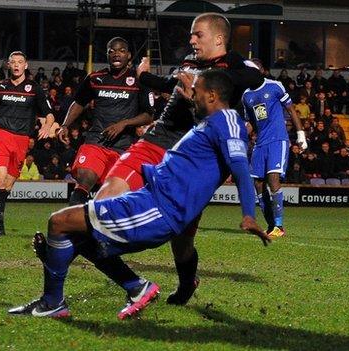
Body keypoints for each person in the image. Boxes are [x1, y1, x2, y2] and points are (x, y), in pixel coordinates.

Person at [8, 70, 270, 319]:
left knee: (60, 222)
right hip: (150, 199)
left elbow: (240, 168)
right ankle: (125, 287)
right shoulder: (211, 122)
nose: (191, 94)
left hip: (156, 209)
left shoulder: (227, 121)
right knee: (75, 232)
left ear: (212, 95)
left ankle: (57, 300)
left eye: (196, 91)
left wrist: (248, 214)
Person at [78, 13, 262, 306]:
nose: (191, 40)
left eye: (197, 35)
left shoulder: (235, 65)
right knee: (106, 197)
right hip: (157, 139)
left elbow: (255, 77)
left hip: (192, 158)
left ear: (218, 39)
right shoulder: (188, 62)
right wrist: (143, 76)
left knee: (182, 239)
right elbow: (165, 83)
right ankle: (121, 274)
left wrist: (199, 84)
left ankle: (187, 282)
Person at [0, 51, 55, 235]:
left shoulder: (35, 88)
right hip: (1, 136)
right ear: (8, 65)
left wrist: (47, 125)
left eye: (20, 62)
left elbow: (49, 113)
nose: (16, 65)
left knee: (7, 186)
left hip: (22, 140)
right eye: (13, 62)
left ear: (26, 65)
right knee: (0, 177)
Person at [58, 37, 152, 205]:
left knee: (113, 195)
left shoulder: (138, 80)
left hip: (123, 146)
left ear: (129, 55)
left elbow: (148, 115)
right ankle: (68, 227)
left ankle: (100, 227)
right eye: (112, 51)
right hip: (96, 141)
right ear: (107, 55)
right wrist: (65, 125)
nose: (116, 54)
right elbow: (79, 103)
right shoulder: (95, 78)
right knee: (85, 179)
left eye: (121, 51)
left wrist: (124, 123)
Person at [241, 58, 307, 238]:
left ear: (261, 70)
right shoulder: (246, 95)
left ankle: (279, 226)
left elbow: (291, 110)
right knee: (258, 183)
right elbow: (251, 122)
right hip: (260, 143)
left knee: (273, 179)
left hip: (278, 140)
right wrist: (240, 136)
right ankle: (271, 226)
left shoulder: (275, 86)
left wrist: (301, 134)